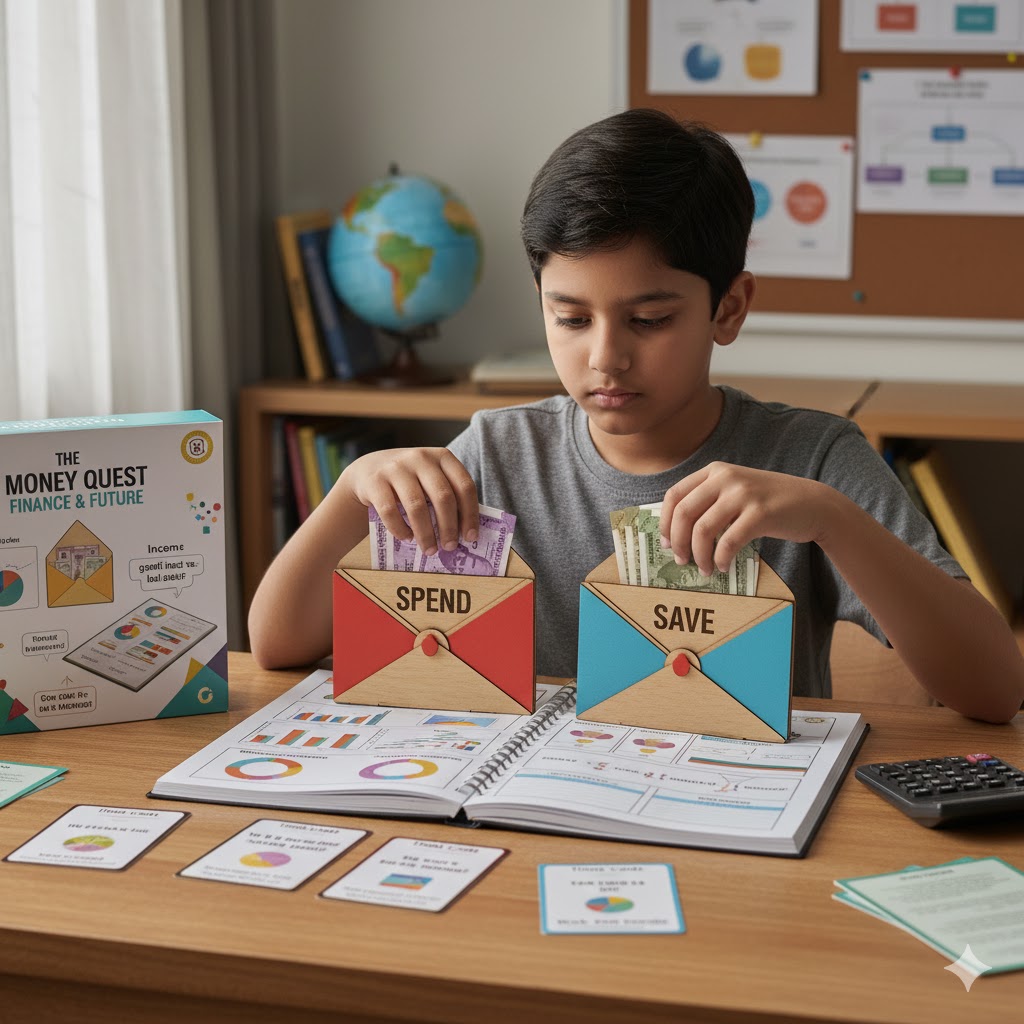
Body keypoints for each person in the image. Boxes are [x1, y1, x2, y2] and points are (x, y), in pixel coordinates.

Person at [249, 108, 1024, 722]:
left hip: (731, 816)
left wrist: (833, 521)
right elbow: (276, 645)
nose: (605, 359)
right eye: (571, 318)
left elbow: (994, 689)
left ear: (729, 306)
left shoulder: (812, 459)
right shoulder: (498, 451)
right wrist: (354, 491)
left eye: (649, 320)